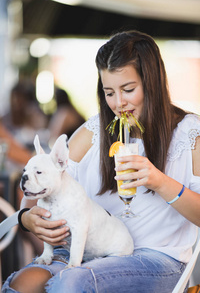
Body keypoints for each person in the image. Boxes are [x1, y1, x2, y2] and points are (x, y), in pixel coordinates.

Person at [2, 30, 200, 293]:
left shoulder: (188, 133)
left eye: (128, 89)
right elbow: (40, 183)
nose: (119, 103)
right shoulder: (94, 131)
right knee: (22, 284)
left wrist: (159, 182)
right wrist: (27, 219)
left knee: (71, 282)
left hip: (156, 258)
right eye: (109, 92)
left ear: (151, 83)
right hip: (87, 251)